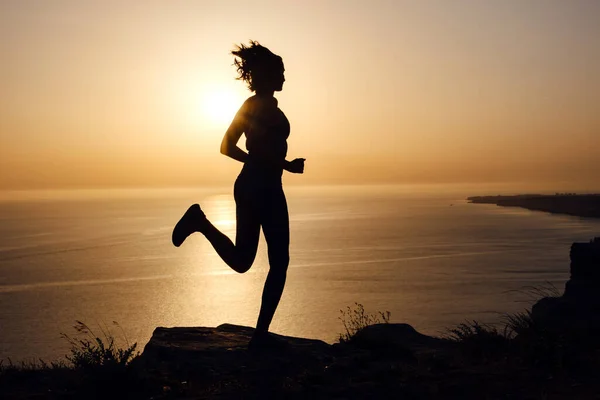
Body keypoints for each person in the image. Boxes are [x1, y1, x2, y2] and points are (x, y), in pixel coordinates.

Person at [172, 41, 305, 348]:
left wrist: (281, 165)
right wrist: (282, 164)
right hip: (258, 187)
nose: (285, 76)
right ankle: (259, 337)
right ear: (268, 74)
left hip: (265, 185)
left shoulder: (266, 107)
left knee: (260, 261)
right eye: (281, 71)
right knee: (271, 261)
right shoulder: (254, 106)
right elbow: (227, 147)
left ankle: (201, 223)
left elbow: (250, 149)